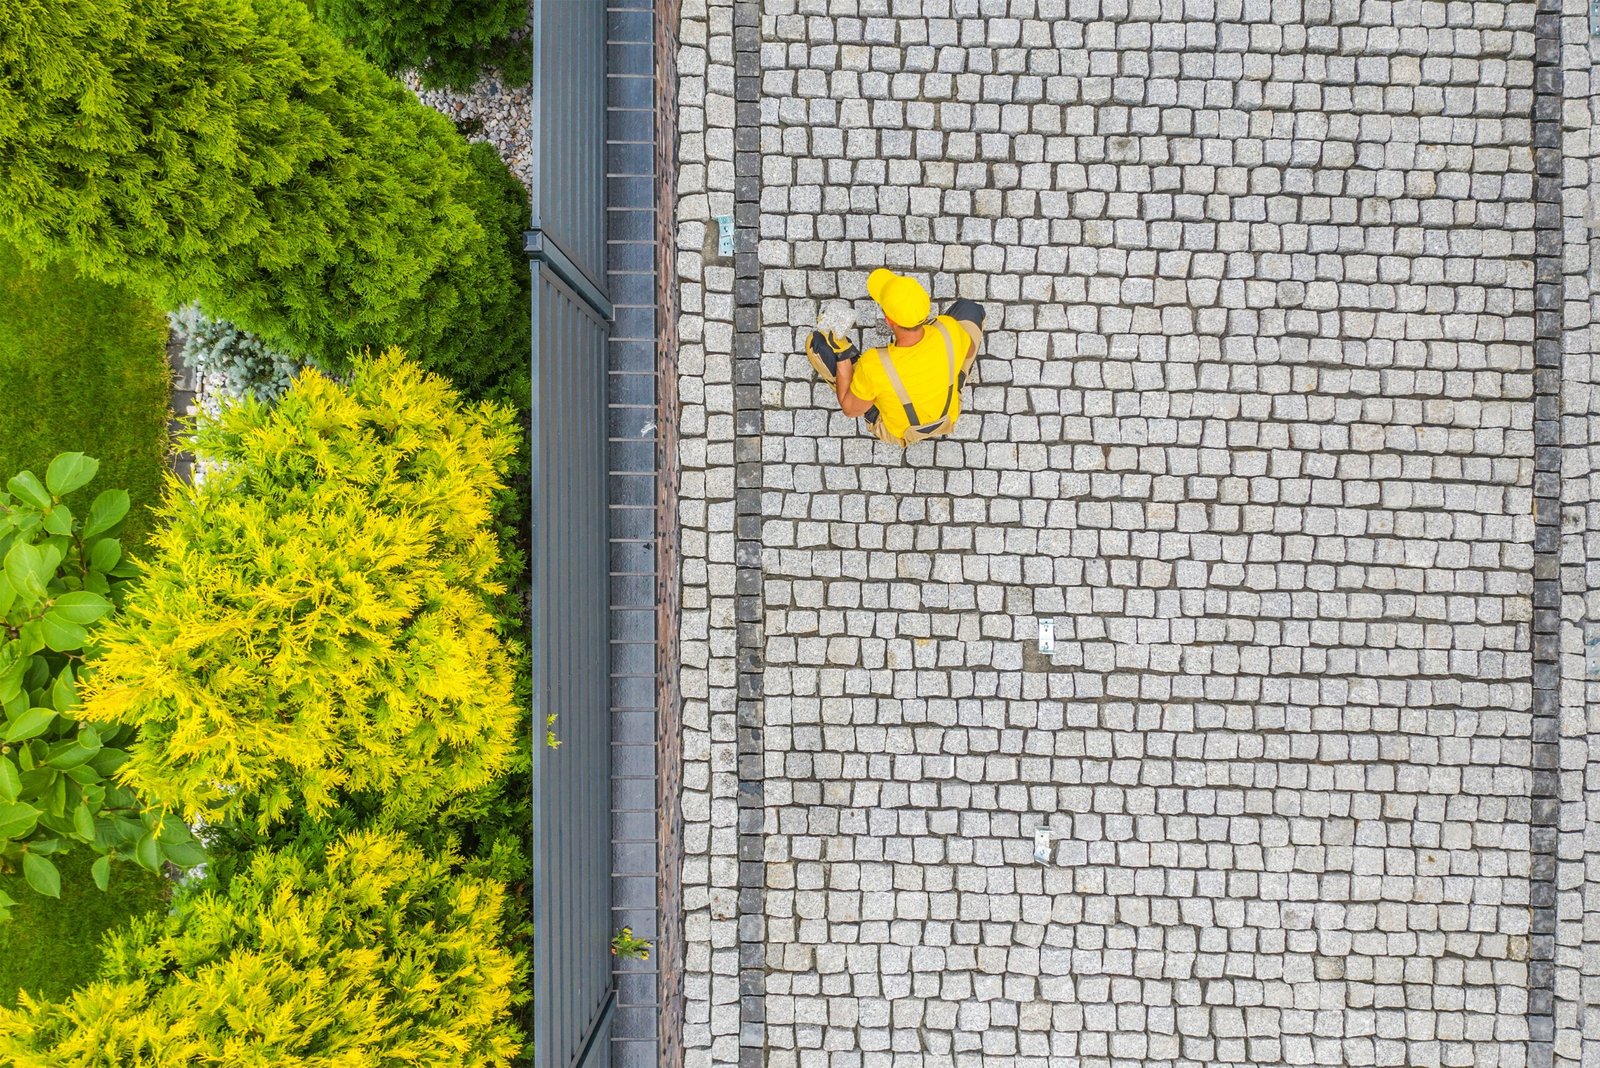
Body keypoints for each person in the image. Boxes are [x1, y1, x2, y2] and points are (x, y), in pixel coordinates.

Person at [806, 269, 987, 447]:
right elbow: (969, 352)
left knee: (816, 344)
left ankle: (842, 362)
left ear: (888, 320)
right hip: (947, 415)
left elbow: (850, 409)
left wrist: (842, 353)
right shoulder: (948, 328)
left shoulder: (874, 363)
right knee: (969, 310)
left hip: (900, 430)